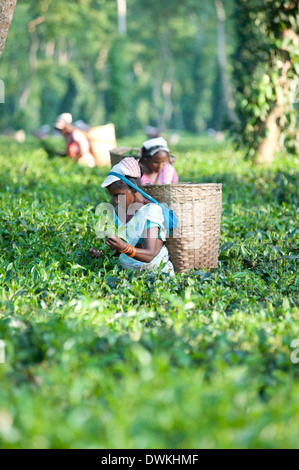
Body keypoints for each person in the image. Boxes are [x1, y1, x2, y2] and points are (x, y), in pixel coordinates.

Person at [89, 157, 174, 275]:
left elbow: (150, 254)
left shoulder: (151, 212)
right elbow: (120, 249)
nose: (116, 201)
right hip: (127, 272)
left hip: (154, 273)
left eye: (119, 195)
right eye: (113, 196)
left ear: (134, 187)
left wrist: (124, 247)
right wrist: (102, 251)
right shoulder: (118, 211)